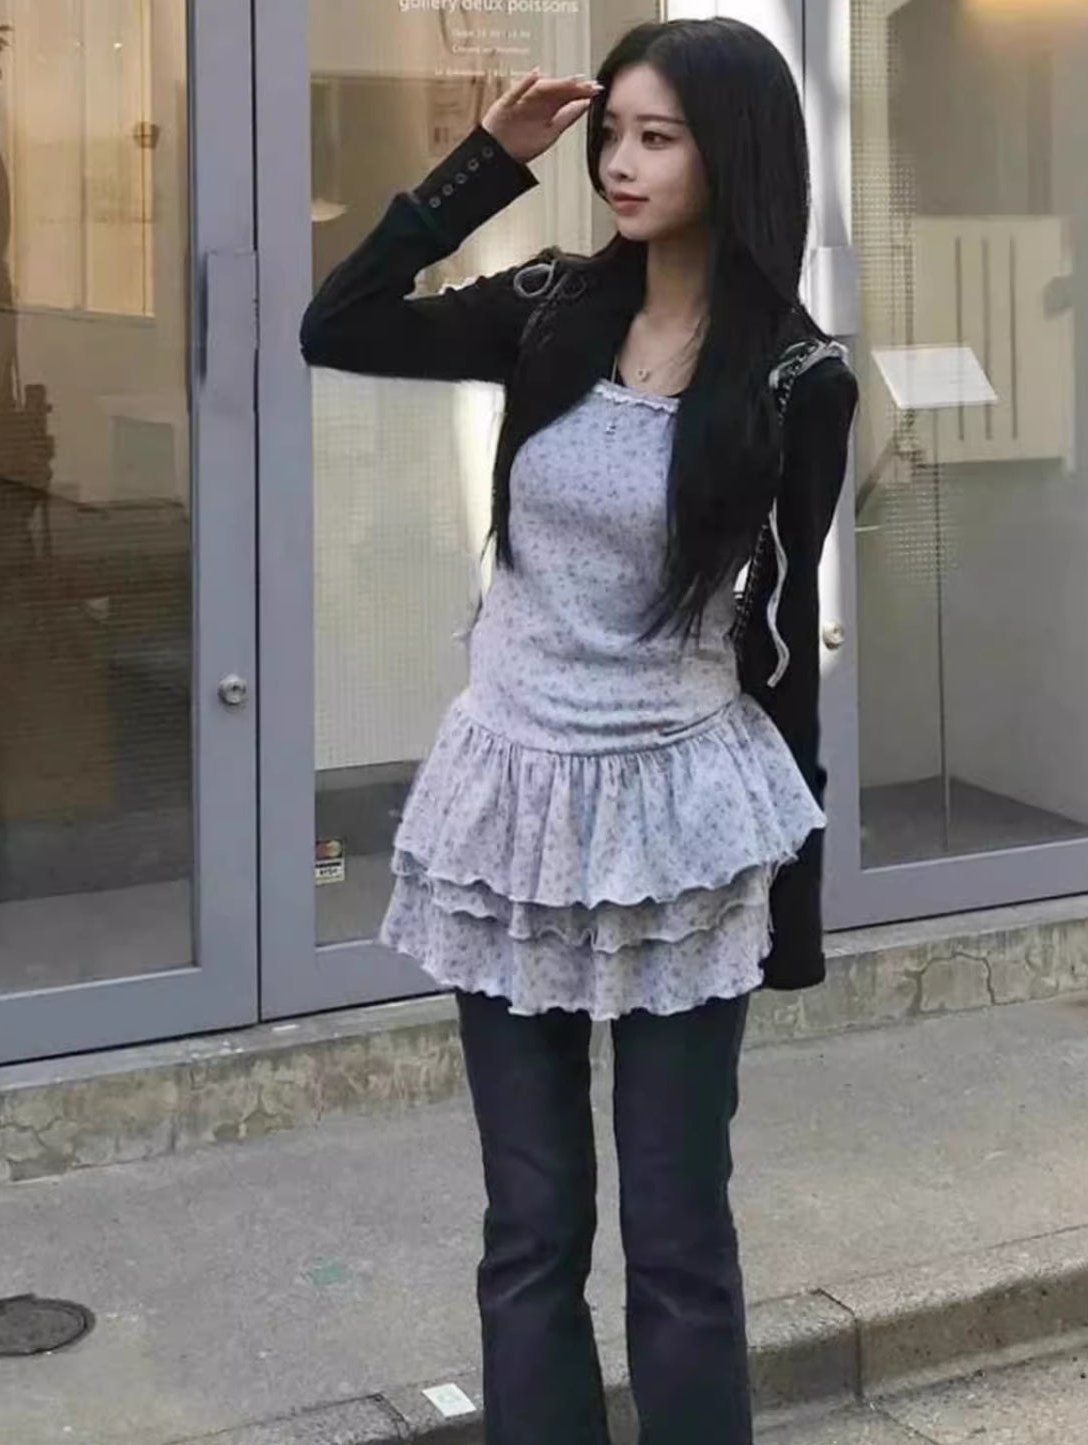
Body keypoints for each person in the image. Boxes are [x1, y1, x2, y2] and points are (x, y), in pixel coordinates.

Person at [300, 18, 858, 1444]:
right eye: (612, 132)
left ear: (731, 155)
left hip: (681, 817)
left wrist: (794, 908)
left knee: (676, 1240)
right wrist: (481, 165)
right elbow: (337, 324)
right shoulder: (551, 305)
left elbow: (782, 641)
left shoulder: (797, 379)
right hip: (510, 801)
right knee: (530, 1227)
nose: (619, 161)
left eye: (656, 137)